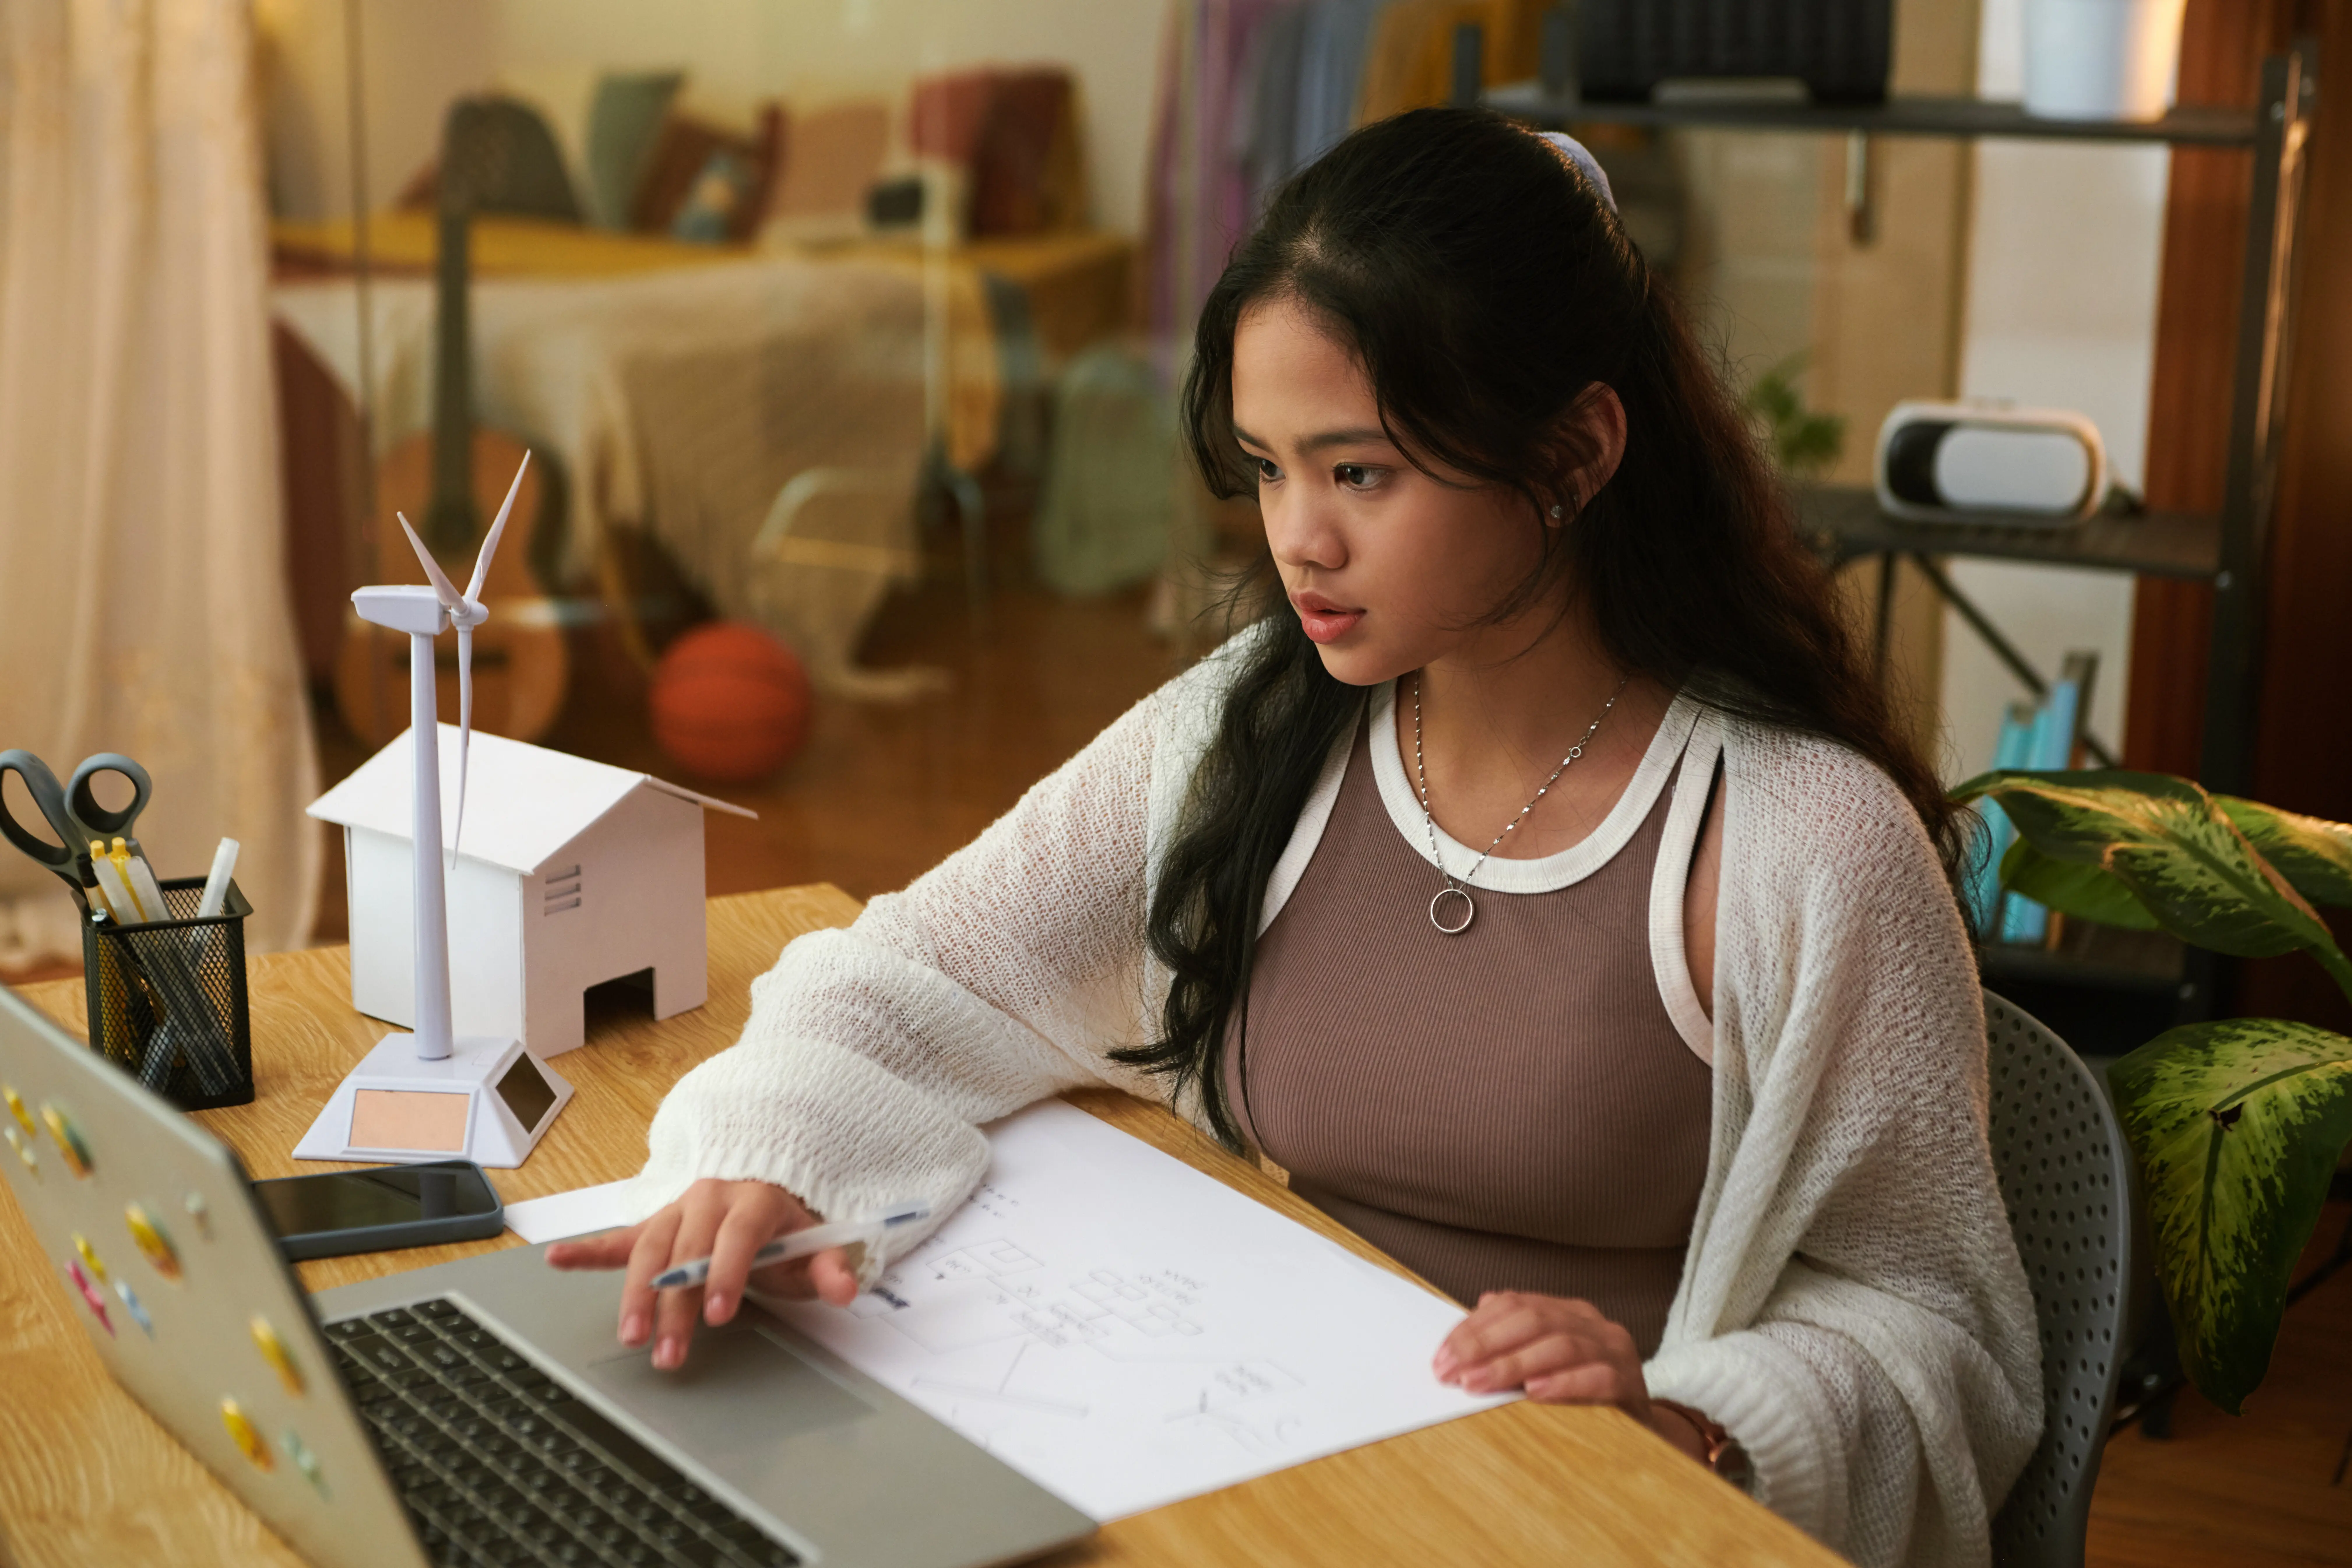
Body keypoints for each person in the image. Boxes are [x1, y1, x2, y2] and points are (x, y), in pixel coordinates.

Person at [549, 108, 2041, 1566]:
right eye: (1267, 467)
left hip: (1573, 1522)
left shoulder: (1797, 849)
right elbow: (918, 975)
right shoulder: (1248, 732)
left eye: (1360, 473)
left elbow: (1938, 1333)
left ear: (1576, 453)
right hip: (1241, 1486)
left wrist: (1694, 1420)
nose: (1297, 540)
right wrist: (772, 1153)